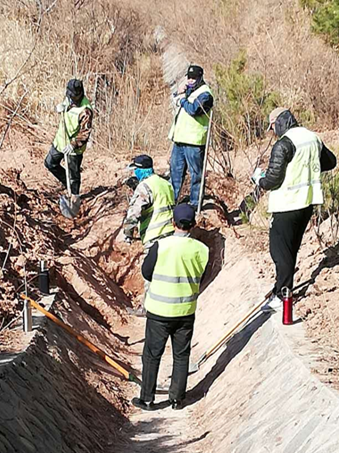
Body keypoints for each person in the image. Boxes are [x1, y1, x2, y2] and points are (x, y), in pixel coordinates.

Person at [251, 107, 337, 311]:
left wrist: (258, 179)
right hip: (307, 202)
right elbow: (330, 162)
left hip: (286, 204)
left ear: (278, 123)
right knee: (291, 249)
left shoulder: (284, 144)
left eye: (272, 127)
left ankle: (282, 295)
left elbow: (273, 179)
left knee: (280, 252)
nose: (273, 132)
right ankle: (280, 289)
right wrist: (305, 168)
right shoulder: (312, 137)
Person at [131, 204, 209, 411]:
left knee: (152, 354)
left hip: (159, 311)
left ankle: (147, 398)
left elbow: (146, 272)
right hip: (185, 311)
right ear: (193, 225)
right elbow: (203, 276)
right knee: (181, 355)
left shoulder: (161, 246)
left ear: (173, 223)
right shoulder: (202, 249)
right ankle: (177, 399)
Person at [121, 154, 175, 316]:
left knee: (150, 273)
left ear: (141, 170)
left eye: (135, 170)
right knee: (167, 272)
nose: (134, 173)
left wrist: (128, 232)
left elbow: (134, 214)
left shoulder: (145, 187)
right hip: (171, 234)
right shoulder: (166, 184)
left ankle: (148, 308)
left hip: (155, 236)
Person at [168, 65, 214, 208]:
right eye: (189, 77)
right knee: (175, 173)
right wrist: (179, 93)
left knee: (196, 174)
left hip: (194, 141)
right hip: (180, 140)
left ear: (200, 77)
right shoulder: (187, 91)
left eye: (193, 78)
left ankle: (195, 204)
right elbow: (175, 101)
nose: (190, 80)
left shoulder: (205, 94)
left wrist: (182, 99)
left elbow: (194, 109)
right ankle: (171, 201)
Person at [45, 79, 93, 199]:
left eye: (75, 97)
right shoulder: (68, 97)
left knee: (73, 176)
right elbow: (66, 109)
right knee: (50, 163)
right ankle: (67, 184)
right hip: (60, 141)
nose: (72, 99)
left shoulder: (85, 111)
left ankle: (74, 198)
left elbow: (85, 132)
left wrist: (73, 145)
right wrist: (61, 108)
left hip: (74, 148)